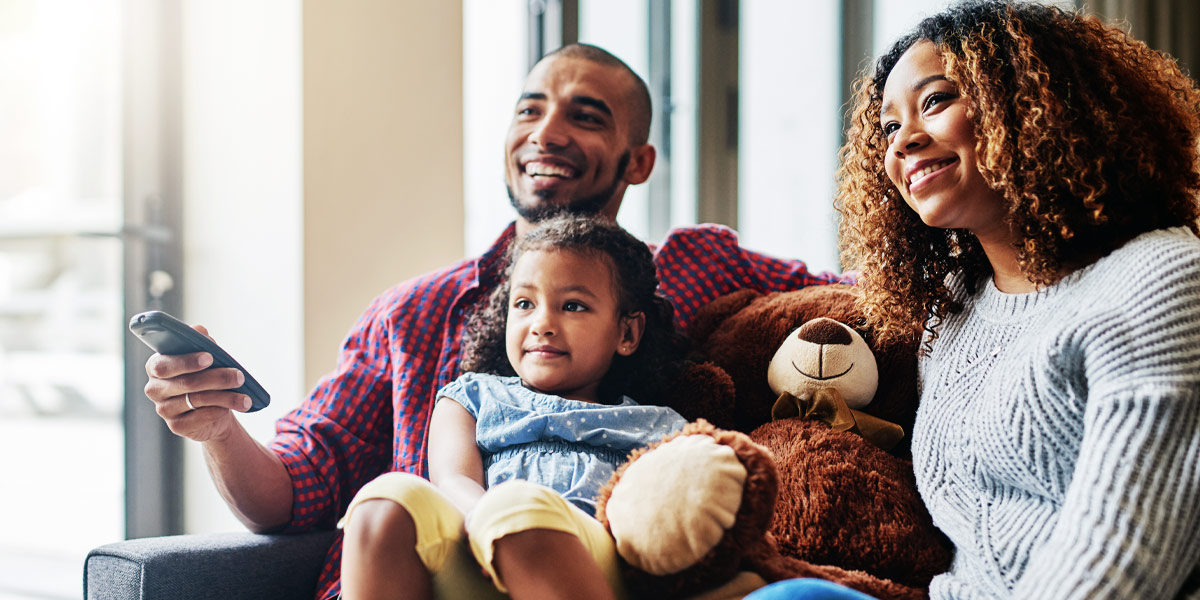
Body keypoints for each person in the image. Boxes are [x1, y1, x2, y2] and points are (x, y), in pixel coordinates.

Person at [144, 43, 840, 600]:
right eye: (529, 110)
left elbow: (860, 299)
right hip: (432, 567)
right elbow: (294, 490)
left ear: (639, 161)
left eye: (586, 115)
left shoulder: (700, 268)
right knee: (389, 502)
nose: (546, 132)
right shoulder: (414, 312)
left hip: (607, 561)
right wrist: (219, 429)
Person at [752, 2, 1200, 599]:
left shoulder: (1163, 277)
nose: (904, 141)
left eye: (935, 101)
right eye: (888, 127)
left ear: (1035, 105)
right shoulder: (956, 300)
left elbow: (1123, 559)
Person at [341, 216, 690, 600]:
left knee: (519, 504)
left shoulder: (660, 428)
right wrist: (488, 520)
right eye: (524, 303)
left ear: (626, 333)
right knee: (386, 500)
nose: (541, 323)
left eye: (572, 306)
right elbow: (453, 481)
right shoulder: (470, 398)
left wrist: (511, 514)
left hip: (593, 563)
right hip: (476, 550)